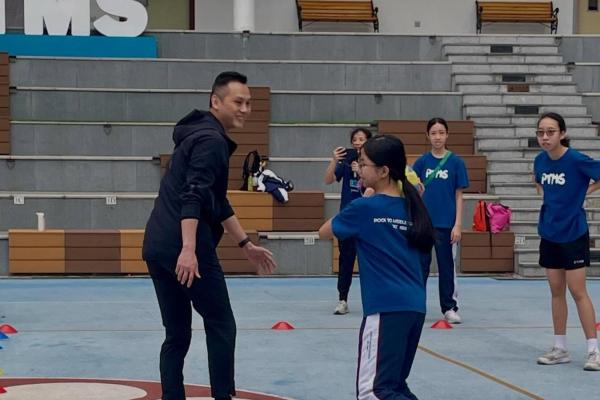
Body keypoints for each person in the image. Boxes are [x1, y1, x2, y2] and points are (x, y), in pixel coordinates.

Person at [142, 71, 277, 400]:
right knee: (221, 324)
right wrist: (189, 249)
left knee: (177, 333)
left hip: (156, 245)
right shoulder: (212, 141)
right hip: (185, 247)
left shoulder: (197, 134)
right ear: (215, 102)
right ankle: (223, 395)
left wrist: (245, 244)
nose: (245, 109)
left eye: (249, 103)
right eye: (238, 102)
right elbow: (194, 195)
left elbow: (216, 201)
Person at [319, 135, 434, 399]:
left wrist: (365, 198)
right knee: (395, 386)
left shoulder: (364, 207)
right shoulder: (412, 208)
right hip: (414, 307)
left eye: (364, 164)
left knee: (373, 391)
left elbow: (324, 231)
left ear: (383, 171)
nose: (359, 169)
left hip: (385, 308)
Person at [533, 112, 600, 371]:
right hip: (550, 234)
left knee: (578, 292)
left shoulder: (576, 160)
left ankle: (593, 350)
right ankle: (560, 348)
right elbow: (538, 181)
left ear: (562, 133)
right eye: (541, 132)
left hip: (573, 234)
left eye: (550, 132)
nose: (545, 137)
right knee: (556, 291)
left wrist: (583, 192)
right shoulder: (540, 161)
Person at [412, 117, 469, 324]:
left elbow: (459, 195)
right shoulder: (421, 162)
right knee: (420, 266)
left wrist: (458, 224)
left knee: (447, 268)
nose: (437, 137)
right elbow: (413, 191)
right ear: (427, 136)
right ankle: (416, 305)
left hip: (447, 225)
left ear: (447, 135)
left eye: (441, 133)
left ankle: (449, 307)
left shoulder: (456, 162)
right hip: (423, 224)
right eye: (434, 133)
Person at [324, 127, 373, 315]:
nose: (358, 142)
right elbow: (328, 180)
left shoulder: (374, 161)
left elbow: (375, 187)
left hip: (367, 218)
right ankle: (342, 299)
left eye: (362, 139)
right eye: (355, 139)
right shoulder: (347, 158)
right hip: (348, 217)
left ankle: (372, 299)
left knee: (369, 261)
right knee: (346, 260)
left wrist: (360, 172)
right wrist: (334, 160)